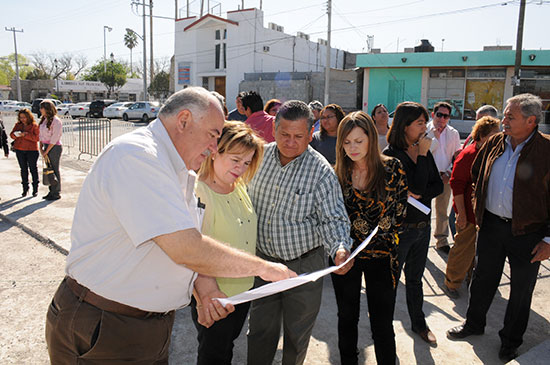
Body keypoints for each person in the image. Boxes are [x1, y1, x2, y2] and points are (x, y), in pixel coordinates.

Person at [45, 87, 296, 364]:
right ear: (184, 120)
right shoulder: (137, 156)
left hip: (144, 325)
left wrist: (205, 290)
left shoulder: (176, 169)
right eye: (213, 135)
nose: (215, 147)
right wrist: (263, 267)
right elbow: (186, 248)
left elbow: (180, 242)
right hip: (106, 324)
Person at [247, 100, 353, 365]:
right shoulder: (258, 159)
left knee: (297, 333)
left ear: (310, 133)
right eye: (284, 134)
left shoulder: (321, 172)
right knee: (260, 331)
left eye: (298, 136)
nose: (290, 142)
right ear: (274, 130)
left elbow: (334, 218)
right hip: (264, 263)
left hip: (304, 266)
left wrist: (340, 248)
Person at [447, 94, 550, 362]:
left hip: (528, 234)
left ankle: (510, 342)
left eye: (510, 116)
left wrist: (549, 240)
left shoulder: (547, 151)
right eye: (505, 114)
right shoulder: (494, 142)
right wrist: (477, 209)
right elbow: (475, 177)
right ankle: (473, 324)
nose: (503, 120)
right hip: (491, 226)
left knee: (520, 290)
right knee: (482, 280)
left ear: (531, 120)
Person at [331, 111, 407, 365]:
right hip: (346, 258)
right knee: (347, 318)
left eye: (359, 141)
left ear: (371, 140)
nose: (352, 148)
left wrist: (381, 235)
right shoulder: (336, 176)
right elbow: (331, 219)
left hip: (383, 258)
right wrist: (340, 251)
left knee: (383, 322)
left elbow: (400, 214)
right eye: (347, 142)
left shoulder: (393, 169)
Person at [191, 121, 265, 364]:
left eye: (246, 163)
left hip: (243, 293)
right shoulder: (198, 192)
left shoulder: (238, 185)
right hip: (215, 296)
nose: (241, 168)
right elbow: (191, 252)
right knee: (212, 355)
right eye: (235, 160)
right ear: (215, 151)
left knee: (226, 350)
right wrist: (202, 298)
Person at [383, 101, 443, 345]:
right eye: (420, 123)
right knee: (390, 281)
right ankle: (383, 327)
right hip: (401, 230)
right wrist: (417, 188)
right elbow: (416, 187)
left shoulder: (424, 150)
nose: (424, 127)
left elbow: (436, 186)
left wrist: (418, 192)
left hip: (423, 227)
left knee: (415, 280)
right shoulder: (391, 155)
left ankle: (419, 324)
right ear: (404, 126)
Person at [442, 116, 501, 299]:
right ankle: (451, 282)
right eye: (493, 134)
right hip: (468, 212)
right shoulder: (468, 155)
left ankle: (469, 276)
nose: (498, 137)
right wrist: (461, 213)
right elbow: (457, 184)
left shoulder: (493, 153)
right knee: (462, 248)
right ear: (482, 135)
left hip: (485, 212)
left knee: (475, 250)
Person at [427, 101, 461, 254]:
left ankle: (441, 240)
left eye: (445, 116)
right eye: (439, 115)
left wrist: (449, 172)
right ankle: (422, 239)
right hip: (427, 176)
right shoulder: (425, 130)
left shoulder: (453, 133)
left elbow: (456, 156)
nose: (442, 118)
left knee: (442, 210)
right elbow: (424, 153)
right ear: (433, 114)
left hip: (445, 176)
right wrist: (435, 137)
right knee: (423, 210)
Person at [10, 108, 40, 197]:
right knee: (23, 169)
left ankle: (35, 189)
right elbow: (11, 135)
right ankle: (25, 188)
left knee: (33, 169)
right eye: (21, 117)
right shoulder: (18, 125)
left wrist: (25, 135)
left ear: (28, 117)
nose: (22, 119)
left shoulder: (34, 125)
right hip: (19, 149)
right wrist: (15, 135)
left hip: (32, 150)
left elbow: (37, 138)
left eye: (24, 117)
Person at [39, 100, 63, 201]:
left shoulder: (56, 121)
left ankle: (56, 191)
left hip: (53, 147)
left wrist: (47, 151)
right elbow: (40, 134)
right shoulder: (44, 119)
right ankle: (51, 190)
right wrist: (40, 147)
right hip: (46, 146)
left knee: (54, 169)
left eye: (42, 108)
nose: (40, 110)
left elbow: (55, 137)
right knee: (49, 169)